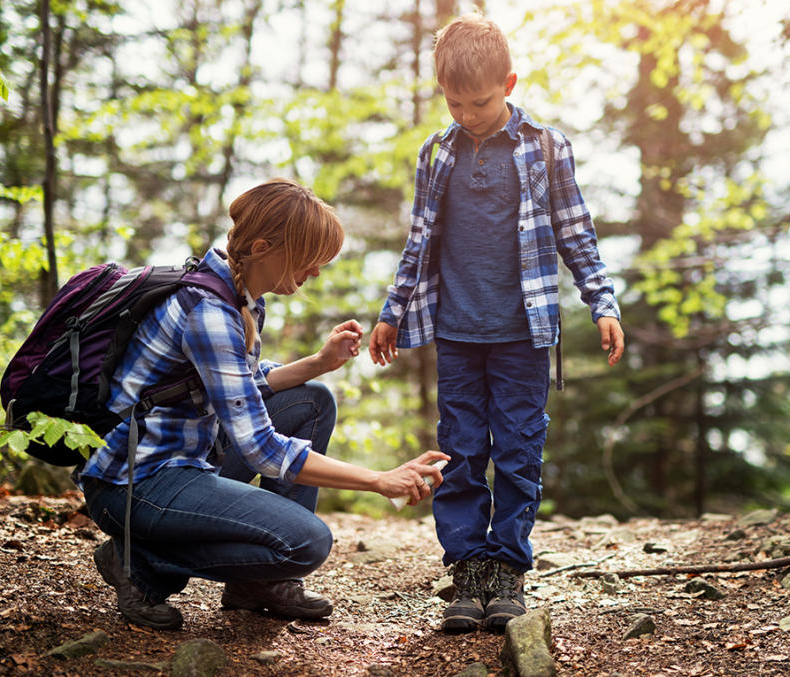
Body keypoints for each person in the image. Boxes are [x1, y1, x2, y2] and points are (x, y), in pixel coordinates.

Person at [80, 178, 448, 630]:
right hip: (135, 483)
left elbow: (244, 387)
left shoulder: (238, 296)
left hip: (187, 458)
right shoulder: (209, 311)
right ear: (263, 246)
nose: (316, 271)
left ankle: (256, 585)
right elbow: (261, 448)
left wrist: (319, 362)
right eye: (310, 258)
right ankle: (139, 563)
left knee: (312, 402)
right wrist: (378, 480)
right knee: (305, 543)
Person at [368, 14, 624, 634]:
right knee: (459, 449)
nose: (466, 113)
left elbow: (575, 232)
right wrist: (392, 312)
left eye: (479, 101)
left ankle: (507, 567)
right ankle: (467, 566)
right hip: (455, 333)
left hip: (524, 335)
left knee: (516, 450)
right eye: (454, 101)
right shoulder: (437, 153)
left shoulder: (544, 147)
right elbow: (419, 242)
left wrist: (603, 302)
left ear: (509, 83)